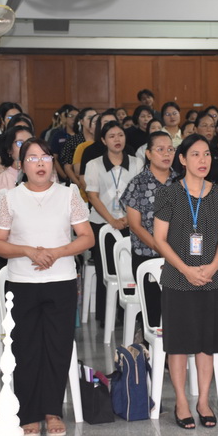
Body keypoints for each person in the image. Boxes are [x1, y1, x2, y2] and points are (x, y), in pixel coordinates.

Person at [0, 137, 94, 436]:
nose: (40, 163)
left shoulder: (68, 194)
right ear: (21, 164)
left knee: (58, 347)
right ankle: (29, 413)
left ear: (52, 162)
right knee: (26, 348)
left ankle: (52, 410)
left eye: (45, 157)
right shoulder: (9, 198)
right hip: (22, 283)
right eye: (32, 158)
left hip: (61, 281)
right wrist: (28, 251)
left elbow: (87, 237)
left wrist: (56, 253)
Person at [153, 134, 218, 429]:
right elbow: (160, 239)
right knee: (178, 344)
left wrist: (212, 266)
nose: (203, 160)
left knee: (206, 343)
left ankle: (203, 401)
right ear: (183, 159)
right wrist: (186, 269)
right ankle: (181, 401)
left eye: (207, 154)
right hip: (177, 278)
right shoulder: (168, 194)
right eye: (196, 154)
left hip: (211, 278)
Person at [84, 120, 143, 325]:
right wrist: (112, 221)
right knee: (106, 267)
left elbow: (139, 193)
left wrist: (127, 219)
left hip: (131, 222)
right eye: (111, 136)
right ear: (103, 140)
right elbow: (92, 196)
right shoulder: (94, 165)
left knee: (131, 266)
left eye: (120, 135)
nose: (117, 139)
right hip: (102, 223)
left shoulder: (136, 163)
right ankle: (106, 315)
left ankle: (131, 313)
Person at [120, 131, 177, 327]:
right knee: (154, 311)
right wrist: (161, 248)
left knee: (177, 309)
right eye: (160, 149)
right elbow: (135, 225)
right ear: (149, 154)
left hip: (179, 255)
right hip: (147, 254)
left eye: (170, 149)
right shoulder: (137, 184)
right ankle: (149, 339)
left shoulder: (181, 182)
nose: (166, 154)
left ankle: (176, 344)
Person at [0, 125, 34, 211]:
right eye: (20, 143)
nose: (26, 147)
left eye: (30, 142)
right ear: (9, 149)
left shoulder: (44, 174)